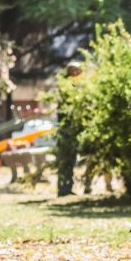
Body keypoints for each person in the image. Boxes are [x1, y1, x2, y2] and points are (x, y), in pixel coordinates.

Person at [56, 60, 82, 197]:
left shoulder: (76, 85)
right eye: (75, 70)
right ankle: (62, 189)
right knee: (64, 159)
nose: (77, 73)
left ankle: (68, 187)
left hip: (73, 128)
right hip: (65, 128)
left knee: (71, 159)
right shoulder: (66, 85)